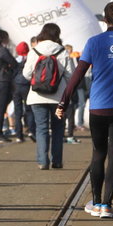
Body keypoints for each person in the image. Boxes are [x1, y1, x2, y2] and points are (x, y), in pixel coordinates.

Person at [58, 2, 113, 217]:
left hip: (99, 107)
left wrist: (63, 102)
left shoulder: (94, 42)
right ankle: (107, 205)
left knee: (98, 154)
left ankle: (95, 203)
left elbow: (78, 73)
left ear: (104, 20)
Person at [25, 23, 75, 170]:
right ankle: (57, 161)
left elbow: (26, 74)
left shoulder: (33, 51)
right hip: (58, 98)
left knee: (41, 129)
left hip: (36, 96)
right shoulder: (63, 52)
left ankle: (42, 161)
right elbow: (70, 75)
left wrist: (39, 79)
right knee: (58, 128)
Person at [11, 42, 32, 142]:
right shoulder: (30, 59)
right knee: (29, 109)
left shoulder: (15, 60)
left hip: (16, 86)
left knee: (17, 111)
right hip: (27, 86)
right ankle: (31, 130)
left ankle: (19, 135)